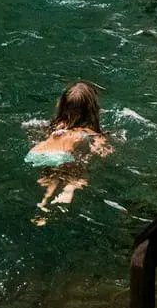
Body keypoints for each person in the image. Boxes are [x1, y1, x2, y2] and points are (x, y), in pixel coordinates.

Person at [27, 80, 112, 218]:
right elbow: (100, 149)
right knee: (77, 173)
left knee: (51, 176)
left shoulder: (56, 126)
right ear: (93, 109)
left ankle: (43, 202)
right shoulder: (89, 132)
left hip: (38, 152)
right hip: (63, 155)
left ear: (61, 105)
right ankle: (69, 190)